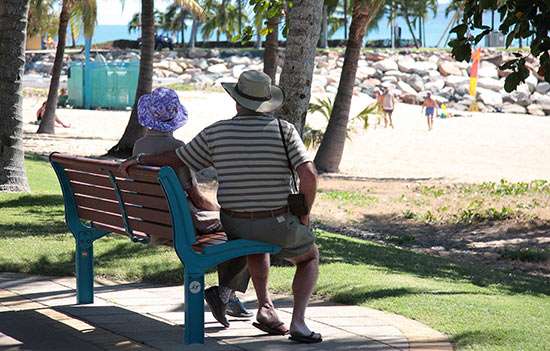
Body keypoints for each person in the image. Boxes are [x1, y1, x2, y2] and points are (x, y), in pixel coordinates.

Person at [119, 70, 322, 344]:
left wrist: (141, 158)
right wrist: (304, 213)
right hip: (276, 224)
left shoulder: (216, 131)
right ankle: (298, 323)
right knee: (308, 257)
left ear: (237, 101)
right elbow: (309, 176)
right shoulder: (284, 130)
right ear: (266, 103)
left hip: (234, 223)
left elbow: (178, 158)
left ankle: (266, 307)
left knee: (253, 239)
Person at [131, 87, 253, 326]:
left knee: (234, 228)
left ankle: (227, 296)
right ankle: (226, 295)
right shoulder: (177, 149)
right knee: (243, 230)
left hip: (155, 222)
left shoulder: (138, 148)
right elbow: (196, 197)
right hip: (182, 225)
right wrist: (219, 210)